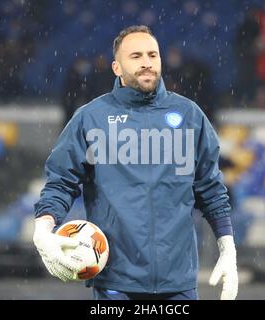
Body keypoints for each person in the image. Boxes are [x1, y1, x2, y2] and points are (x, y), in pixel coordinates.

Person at [33, 25, 238, 300]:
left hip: (178, 284)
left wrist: (228, 247)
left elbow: (211, 189)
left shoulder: (190, 116)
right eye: (136, 56)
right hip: (115, 283)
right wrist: (43, 228)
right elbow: (60, 182)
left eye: (153, 55)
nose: (147, 63)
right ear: (116, 68)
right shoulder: (90, 118)